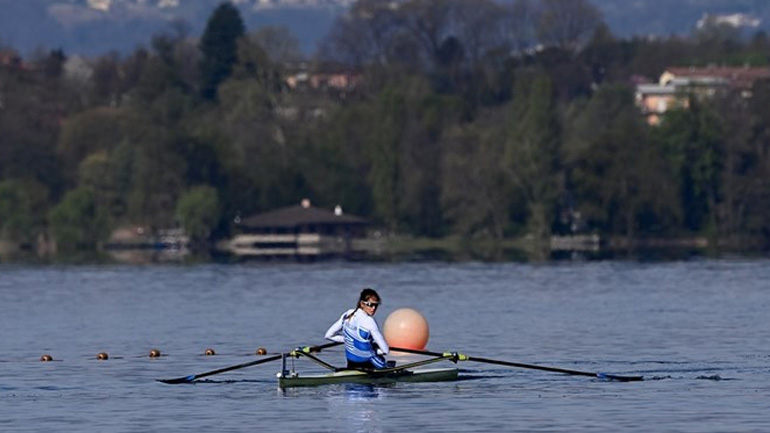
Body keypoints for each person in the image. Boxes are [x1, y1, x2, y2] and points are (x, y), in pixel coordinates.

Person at [325, 288, 390, 370]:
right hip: (367, 363)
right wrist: (376, 350)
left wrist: (349, 339)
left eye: (376, 305)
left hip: (351, 363)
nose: (373, 308)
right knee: (377, 352)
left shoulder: (348, 314)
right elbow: (385, 351)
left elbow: (328, 336)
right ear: (362, 304)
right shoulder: (369, 321)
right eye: (370, 304)